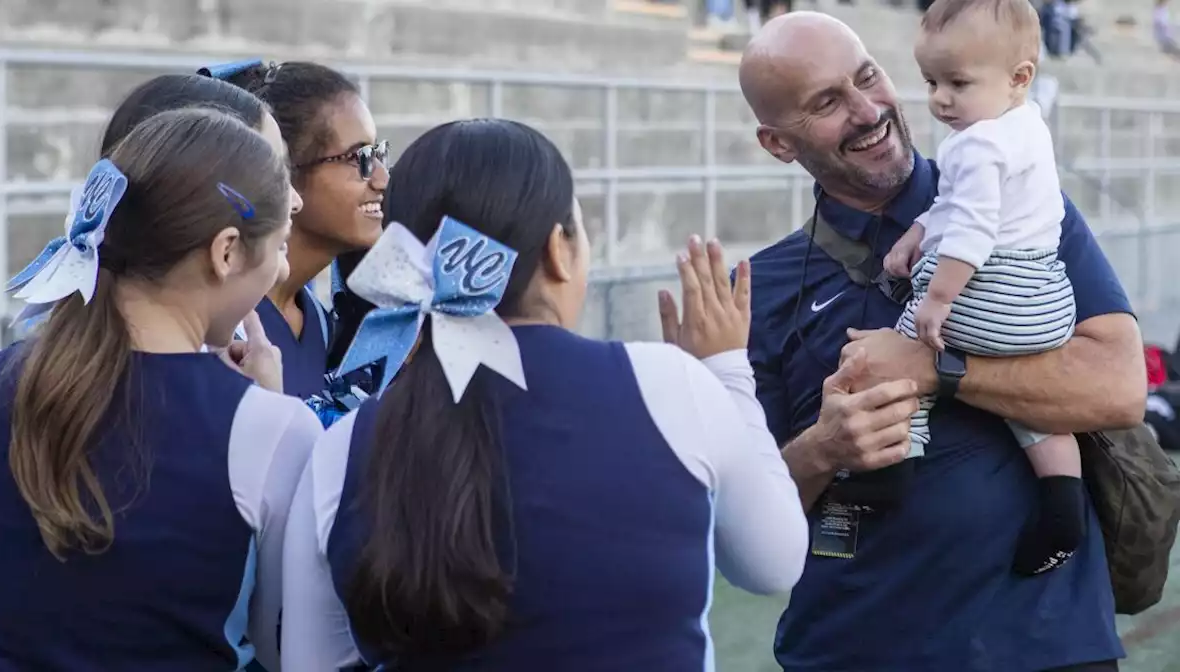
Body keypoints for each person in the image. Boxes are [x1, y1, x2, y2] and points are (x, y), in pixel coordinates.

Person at [278, 118, 809, 671]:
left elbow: (303, 659)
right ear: (559, 248)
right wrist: (726, 371)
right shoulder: (671, 384)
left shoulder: (339, 448)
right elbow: (775, 560)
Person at [739, 11, 1144, 672]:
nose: (868, 110)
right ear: (778, 144)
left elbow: (1120, 389)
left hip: (1043, 645)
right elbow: (745, 519)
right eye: (827, 103)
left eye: (868, 77)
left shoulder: (1028, 203)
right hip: (853, 649)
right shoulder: (758, 288)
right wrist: (821, 449)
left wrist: (939, 369)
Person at [0, 108, 321, 671]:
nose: (279, 274)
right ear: (226, 251)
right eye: (278, 248)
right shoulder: (274, 429)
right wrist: (264, 412)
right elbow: (287, 648)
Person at [877, 0, 1084, 576]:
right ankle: (1064, 501)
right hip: (1045, 302)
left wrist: (937, 299)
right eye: (931, 82)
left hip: (990, 294)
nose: (940, 98)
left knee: (900, 354)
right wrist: (919, 230)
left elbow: (971, 227)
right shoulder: (1028, 126)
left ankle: (896, 466)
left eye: (958, 83)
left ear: (1020, 77)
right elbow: (955, 206)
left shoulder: (976, 143)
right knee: (1038, 416)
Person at [201, 59, 390, 411]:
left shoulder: (316, 316)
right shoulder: (227, 324)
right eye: (360, 157)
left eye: (379, 153)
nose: (381, 179)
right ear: (282, 171)